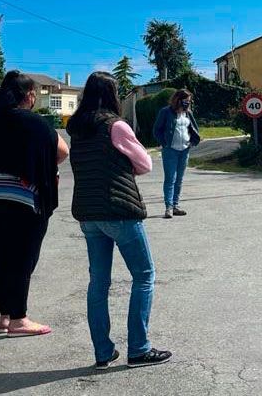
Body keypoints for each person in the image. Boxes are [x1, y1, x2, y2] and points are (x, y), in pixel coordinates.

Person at [68, 72, 173, 369]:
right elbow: (145, 163)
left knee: (98, 283)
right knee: (143, 276)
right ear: (112, 94)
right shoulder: (116, 126)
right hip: (119, 210)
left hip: (88, 214)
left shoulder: (76, 128)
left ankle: (103, 352)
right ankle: (139, 348)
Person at [0, 71, 69, 336]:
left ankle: (5, 314)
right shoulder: (34, 122)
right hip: (22, 197)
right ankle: (19, 318)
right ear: (28, 95)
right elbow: (62, 151)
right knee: (23, 257)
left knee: (2, 253)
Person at [152, 89, 201, 219]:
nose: (188, 103)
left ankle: (175, 206)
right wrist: (164, 143)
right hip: (170, 150)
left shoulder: (188, 113)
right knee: (170, 179)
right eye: (186, 101)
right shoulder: (165, 112)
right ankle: (168, 207)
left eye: (189, 101)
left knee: (179, 180)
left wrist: (192, 142)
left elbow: (194, 128)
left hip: (184, 150)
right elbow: (157, 130)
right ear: (178, 99)